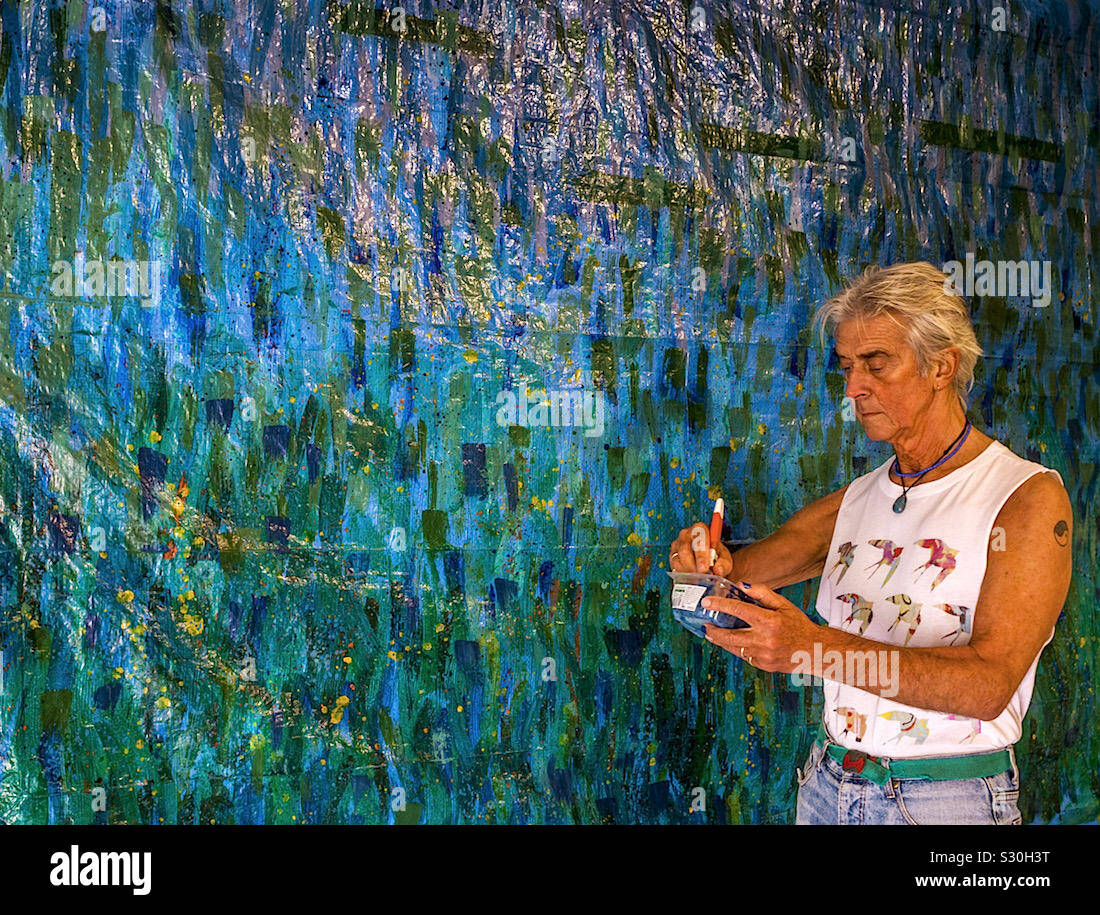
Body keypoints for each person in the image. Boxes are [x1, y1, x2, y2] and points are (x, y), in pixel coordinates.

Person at [668, 261, 1073, 824]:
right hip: (830, 786)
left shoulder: (1025, 498)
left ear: (941, 365)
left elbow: (989, 685)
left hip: (942, 802)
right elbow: (735, 574)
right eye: (848, 367)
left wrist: (814, 649)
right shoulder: (858, 499)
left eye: (877, 365)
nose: (855, 387)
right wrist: (700, 566)